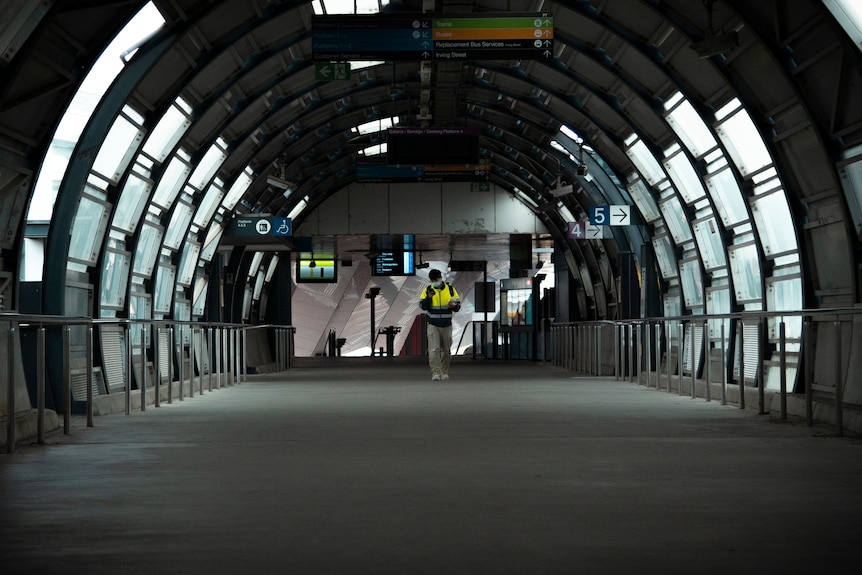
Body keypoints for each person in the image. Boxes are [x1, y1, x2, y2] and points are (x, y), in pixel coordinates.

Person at [419, 269, 461, 380]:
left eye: (436, 280)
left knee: (446, 350)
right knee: (434, 349)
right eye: (432, 280)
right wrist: (429, 298)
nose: (434, 282)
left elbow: (458, 305)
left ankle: (444, 372)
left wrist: (454, 306)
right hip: (433, 324)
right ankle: (435, 373)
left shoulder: (450, 290)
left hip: (447, 324)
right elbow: (423, 306)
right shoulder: (427, 290)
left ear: (440, 278)